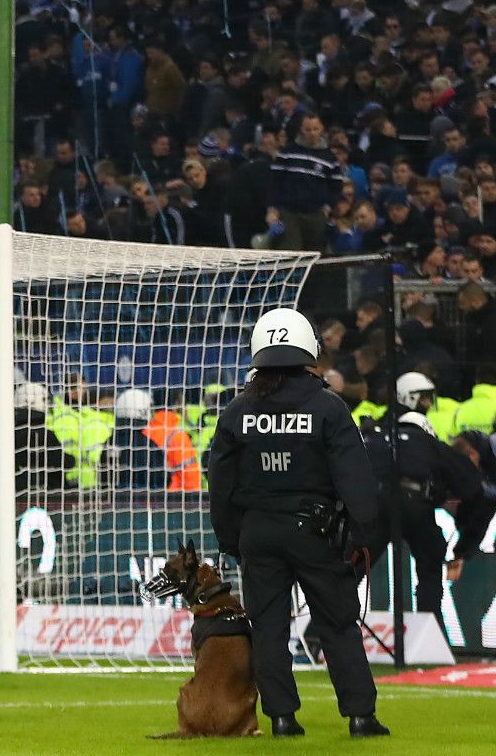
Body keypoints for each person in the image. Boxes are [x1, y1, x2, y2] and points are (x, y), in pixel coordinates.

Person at [207, 308, 389, 738]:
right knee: (337, 623)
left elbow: (221, 481)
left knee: (268, 626)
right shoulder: (327, 406)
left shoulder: (237, 410)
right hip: (316, 531)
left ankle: (282, 719)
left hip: (257, 530)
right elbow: (357, 479)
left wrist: (231, 538)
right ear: (308, 347)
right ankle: (360, 716)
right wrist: (363, 537)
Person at [373, 373, 481, 615]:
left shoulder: (377, 438)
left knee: (352, 569)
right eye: (424, 400)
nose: (429, 405)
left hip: (377, 504)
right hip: (416, 505)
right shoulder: (428, 443)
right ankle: (429, 626)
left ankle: (322, 633)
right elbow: (471, 485)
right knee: (431, 565)